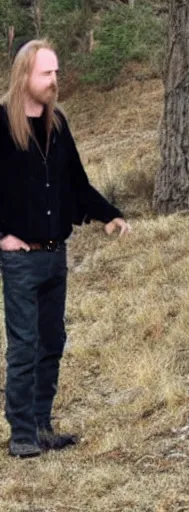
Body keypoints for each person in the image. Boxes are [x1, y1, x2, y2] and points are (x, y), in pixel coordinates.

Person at [0, 39, 131, 458]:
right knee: (23, 346)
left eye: (56, 72)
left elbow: (76, 182)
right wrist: (2, 234)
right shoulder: (1, 123)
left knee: (51, 341)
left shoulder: (57, 125)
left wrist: (108, 214)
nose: (55, 81)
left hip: (56, 255)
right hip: (19, 258)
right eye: (47, 73)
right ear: (25, 75)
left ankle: (41, 425)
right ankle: (20, 432)